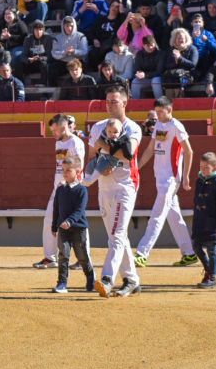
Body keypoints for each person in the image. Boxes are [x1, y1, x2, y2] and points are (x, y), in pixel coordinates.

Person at [87, 83, 144, 296]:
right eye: (108, 101)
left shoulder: (133, 127)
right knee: (117, 236)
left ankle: (107, 278)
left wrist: (104, 147)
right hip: (104, 185)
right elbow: (93, 152)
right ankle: (131, 280)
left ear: (125, 102)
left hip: (125, 185)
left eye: (115, 101)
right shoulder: (97, 126)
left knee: (117, 234)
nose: (110, 105)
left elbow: (127, 154)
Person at [134, 98, 195, 266]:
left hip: (170, 178)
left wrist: (186, 176)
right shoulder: (159, 126)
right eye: (157, 111)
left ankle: (142, 253)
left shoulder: (176, 126)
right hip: (160, 177)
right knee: (174, 216)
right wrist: (136, 168)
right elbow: (150, 149)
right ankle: (189, 253)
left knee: (157, 216)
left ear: (170, 110)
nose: (158, 115)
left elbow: (189, 151)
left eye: (161, 112)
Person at [35, 113, 86, 270]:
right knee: (49, 219)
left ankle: (83, 258)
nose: (53, 133)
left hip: (71, 187)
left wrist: (69, 184)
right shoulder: (58, 144)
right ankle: (50, 258)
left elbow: (80, 165)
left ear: (64, 127)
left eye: (55, 130)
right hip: (58, 188)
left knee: (77, 224)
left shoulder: (75, 142)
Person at [48, 156, 95, 295]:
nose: (65, 173)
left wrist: (69, 221)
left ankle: (90, 278)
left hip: (78, 228)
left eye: (68, 170)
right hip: (63, 228)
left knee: (82, 256)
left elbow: (80, 211)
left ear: (78, 171)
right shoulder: (60, 189)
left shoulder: (82, 190)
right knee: (63, 255)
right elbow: (56, 209)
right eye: (63, 170)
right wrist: (54, 226)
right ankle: (62, 283)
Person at [189, 152, 216, 290]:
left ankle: (212, 276)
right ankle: (208, 270)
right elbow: (196, 203)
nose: (203, 170)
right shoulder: (199, 180)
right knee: (196, 246)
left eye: (206, 167)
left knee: (212, 250)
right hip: (200, 222)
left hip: (212, 223)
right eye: (201, 167)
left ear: (215, 166)